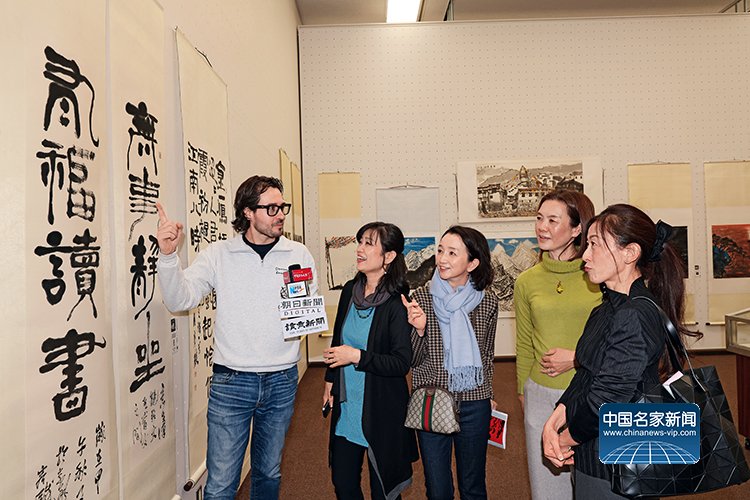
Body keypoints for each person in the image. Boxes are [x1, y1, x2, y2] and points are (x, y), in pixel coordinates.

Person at [155, 175, 318, 500]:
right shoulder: (219, 254)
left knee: (268, 473)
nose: (280, 215)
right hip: (232, 382)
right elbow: (179, 300)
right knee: (220, 485)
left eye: (282, 206)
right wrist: (168, 256)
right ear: (247, 212)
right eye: (271, 208)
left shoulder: (297, 254)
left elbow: (304, 314)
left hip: (282, 380)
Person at [541, 204, 701, 498]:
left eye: (595, 244)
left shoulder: (634, 313)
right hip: (594, 453)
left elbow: (607, 400)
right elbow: (587, 373)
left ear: (630, 253)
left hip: (619, 466)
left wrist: (562, 441)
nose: (585, 255)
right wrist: (557, 416)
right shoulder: (606, 308)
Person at [513, 190, 600, 499]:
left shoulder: (598, 276)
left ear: (577, 229)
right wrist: (523, 393)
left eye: (553, 220)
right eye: (539, 218)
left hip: (592, 394)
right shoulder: (526, 281)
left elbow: (616, 340)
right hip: (540, 393)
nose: (542, 227)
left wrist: (577, 358)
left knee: (595, 484)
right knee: (548, 489)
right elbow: (524, 343)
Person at [322, 222, 418, 500]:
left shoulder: (397, 302)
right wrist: (330, 380)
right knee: (343, 483)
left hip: (382, 409)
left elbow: (401, 363)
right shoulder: (349, 291)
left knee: (383, 490)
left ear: (389, 256)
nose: (360, 249)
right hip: (347, 405)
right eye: (360, 242)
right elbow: (338, 339)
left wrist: (357, 356)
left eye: (368, 243)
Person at [402, 226, 498, 500]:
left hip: (475, 401)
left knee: (473, 486)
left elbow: (487, 356)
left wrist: (489, 394)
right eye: (441, 250)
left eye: (452, 253)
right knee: (437, 488)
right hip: (431, 399)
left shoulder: (487, 301)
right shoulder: (421, 298)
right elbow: (412, 360)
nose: (442, 259)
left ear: (472, 263)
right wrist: (419, 330)